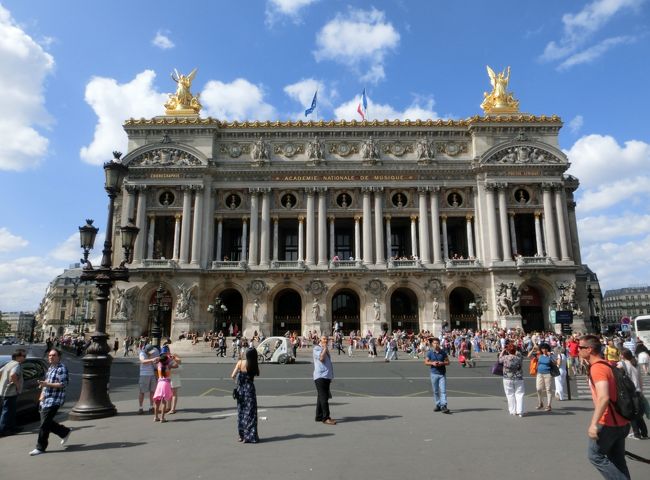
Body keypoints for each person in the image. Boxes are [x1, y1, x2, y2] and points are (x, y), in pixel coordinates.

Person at [579, 334, 631, 479]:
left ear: (589, 349)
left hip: (608, 423)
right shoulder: (607, 364)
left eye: (580, 347)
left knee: (595, 456)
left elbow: (603, 397)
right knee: (618, 460)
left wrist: (593, 424)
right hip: (622, 420)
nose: (578, 350)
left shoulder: (597, 368)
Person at [29, 349, 72, 456]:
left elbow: (63, 384)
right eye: (49, 355)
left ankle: (40, 447)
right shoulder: (50, 368)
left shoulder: (61, 368)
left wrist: (47, 384)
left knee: (44, 425)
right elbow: (46, 384)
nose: (51, 357)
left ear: (59, 357)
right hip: (46, 399)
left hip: (55, 399)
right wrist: (41, 396)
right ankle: (64, 431)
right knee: (46, 422)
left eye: (53, 355)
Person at [231, 348, 260, 443]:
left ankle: (241, 436)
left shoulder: (240, 363)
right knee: (250, 414)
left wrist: (238, 382)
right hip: (250, 391)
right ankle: (250, 436)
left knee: (241, 413)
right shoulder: (253, 364)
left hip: (241, 391)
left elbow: (232, 375)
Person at [618, 349, 648, 439]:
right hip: (638, 391)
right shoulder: (635, 364)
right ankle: (644, 433)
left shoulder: (621, 364)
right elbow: (640, 379)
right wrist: (641, 391)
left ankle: (636, 434)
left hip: (629, 392)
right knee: (638, 413)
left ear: (623, 356)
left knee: (631, 413)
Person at [0, 349, 26, 436]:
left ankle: (12, 427)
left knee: (11, 411)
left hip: (4, 391)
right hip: (10, 392)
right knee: (7, 411)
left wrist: (3, 382)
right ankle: (2, 430)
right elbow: (13, 375)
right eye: (24, 356)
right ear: (18, 357)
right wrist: (17, 385)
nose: (24, 358)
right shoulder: (16, 365)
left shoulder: (9, 363)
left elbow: (0, 372)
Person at [313, 335, 336, 425]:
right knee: (324, 397)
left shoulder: (323, 348)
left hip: (326, 376)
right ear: (320, 340)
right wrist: (325, 348)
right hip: (320, 376)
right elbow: (321, 359)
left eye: (327, 339)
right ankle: (326, 418)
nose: (325, 340)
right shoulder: (317, 348)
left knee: (320, 397)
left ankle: (318, 416)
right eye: (324, 339)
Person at [424, 337, 450, 414]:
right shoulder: (430, 353)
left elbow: (448, 362)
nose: (436, 344)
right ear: (432, 344)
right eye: (435, 343)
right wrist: (432, 363)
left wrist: (442, 363)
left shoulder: (443, 352)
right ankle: (438, 404)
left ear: (439, 344)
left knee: (443, 391)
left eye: (437, 343)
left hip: (442, 374)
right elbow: (425, 362)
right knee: (435, 391)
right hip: (434, 374)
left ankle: (444, 405)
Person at [498, 342, 525, 416]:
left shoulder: (505, 357)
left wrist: (503, 351)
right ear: (515, 350)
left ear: (508, 350)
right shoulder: (519, 358)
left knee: (510, 394)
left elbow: (499, 359)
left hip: (507, 378)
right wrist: (516, 350)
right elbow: (521, 355)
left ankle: (512, 411)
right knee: (519, 394)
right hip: (518, 377)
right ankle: (520, 411)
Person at [531, 343, 554, 412]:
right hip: (539, 374)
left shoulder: (551, 355)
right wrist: (532, 349)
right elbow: (529, 356)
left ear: (548, 349)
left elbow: (556, 363)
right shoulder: (539, 355)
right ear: (541, 349)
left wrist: (551, 356)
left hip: (548, 374)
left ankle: (549, 405)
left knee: (548, 389)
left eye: (546, 348)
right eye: (543, 348)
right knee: (538, 389)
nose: (544, 350)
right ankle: (540, 403)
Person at [152, 352, 174, 423]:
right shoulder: (168, 366)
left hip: (159, 383)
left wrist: (159, 359)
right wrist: (171, 359)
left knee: (157, 401)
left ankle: (156, 417)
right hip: (166, 383)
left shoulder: (158, 365)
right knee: (164, 402)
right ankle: (162, 418)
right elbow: (176, 365)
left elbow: (155, 361)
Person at [138, 344, 159, 414]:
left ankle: (151, 407)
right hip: (144, 375)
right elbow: (143, 361)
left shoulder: (153, 353)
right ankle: (140, 408)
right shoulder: (142, 353)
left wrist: (156, 362)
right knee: (142, 392)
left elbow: (155, 363)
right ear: (146, 351)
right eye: (150, 351)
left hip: (152, 374)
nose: (152, 352)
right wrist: (152, 359)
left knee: (152, 391)